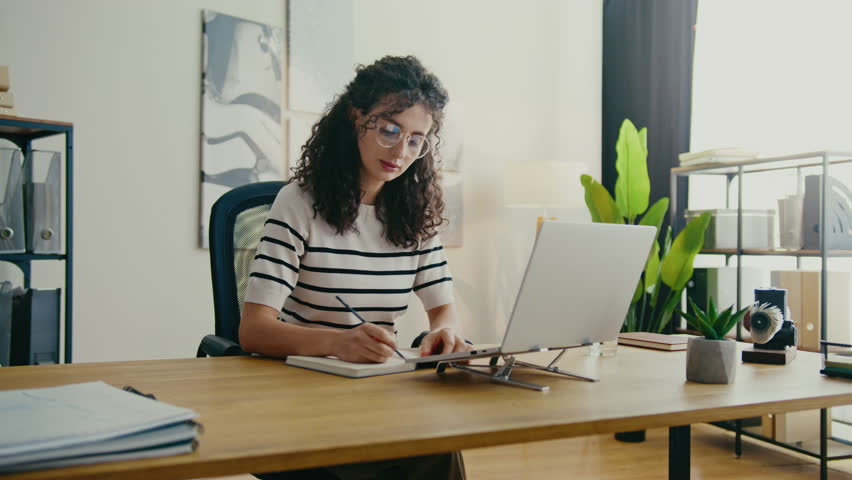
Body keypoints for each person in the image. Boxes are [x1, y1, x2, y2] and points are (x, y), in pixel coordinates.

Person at [240, 55, 470, 479]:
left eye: (417, 140)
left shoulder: (415, 211)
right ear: (356, 117)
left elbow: (444, 308)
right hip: (303, 387)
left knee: (438, 444)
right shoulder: (300, 202)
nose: (401, 152)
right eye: (389, 130)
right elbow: (254, 329)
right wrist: (338, 342)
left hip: (378, 386)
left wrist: (445, 331)